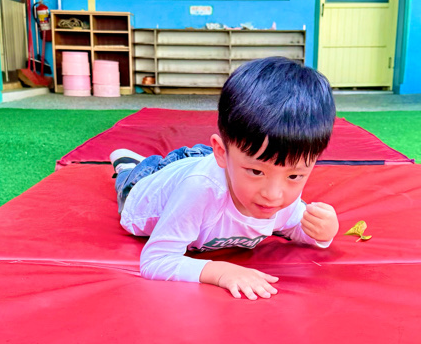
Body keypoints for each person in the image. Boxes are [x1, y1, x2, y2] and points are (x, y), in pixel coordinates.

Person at [110, 56, 339, 299]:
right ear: (221, 152)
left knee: (228, 159)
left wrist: (324, 234)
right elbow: (156, 260)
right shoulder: (200, 191)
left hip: (214, 162)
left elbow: (296, 228)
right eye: (256, 172)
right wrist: (221, 272)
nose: (273, 195)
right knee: (133, 178)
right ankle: (128, 165)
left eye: (294, 175)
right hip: (146, 187)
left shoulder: (274, 183)